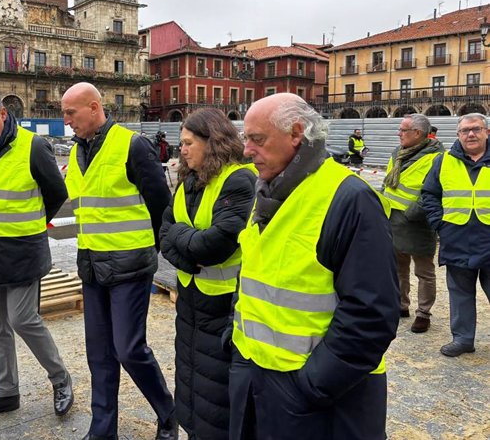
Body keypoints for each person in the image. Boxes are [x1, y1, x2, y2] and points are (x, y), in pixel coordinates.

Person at [230, 93, 399, 439]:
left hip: (321, 398)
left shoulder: (349, 198)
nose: (247, 150)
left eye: (256, 139)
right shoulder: (268, 191)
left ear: (295, 133)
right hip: (261, 378)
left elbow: (372, 314)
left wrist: (311, 386)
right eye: (246, 139)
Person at [61, 82, 178, 440]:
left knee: (129, 349)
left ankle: (169, 415)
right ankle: (102, 431)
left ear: (94, 108)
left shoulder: (132, 146)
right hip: (93, 268)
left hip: (129, 267)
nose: (66, 122)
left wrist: (149, 253)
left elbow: (162, 206)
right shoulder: (78, 151)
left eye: (71, 113)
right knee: (100, 354)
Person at [0, 87, 74, 422]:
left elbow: (55, 193)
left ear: (3, 114)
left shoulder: (33, 146)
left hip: (22, 249)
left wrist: (33, 224)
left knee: (22, 319)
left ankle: (60, 378)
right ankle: (6, 392)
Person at [159, 108, 256, 439]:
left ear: (212, 141)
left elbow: (217, 244)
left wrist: (181, 239)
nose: (181, 150)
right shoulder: (189, 180)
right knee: (190, 380)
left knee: (216, 391)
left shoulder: (238, 179)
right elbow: (165, 232)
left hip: (222, 305)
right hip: (190, 300)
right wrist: (186, 258)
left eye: (188, 143)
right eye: (180, 143)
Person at [421, 113, 490, 357]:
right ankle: (463, 339)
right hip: (457, 238)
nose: (471, 134)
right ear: (458, 135)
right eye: (465, 130)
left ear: (486, 132)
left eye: (476, 129)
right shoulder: (443, 161)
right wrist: (438, 223)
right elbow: (429, 194)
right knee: (460, 294)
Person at [382, 114, 444, 333]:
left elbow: (433, 191)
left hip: (417, 223)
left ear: (417, 133)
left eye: (403, 130)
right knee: (398, 267)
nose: (399, 133)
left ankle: (424, 313)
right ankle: (401, 305)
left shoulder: (437, 158)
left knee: (424, 271)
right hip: (393, 220)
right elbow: (387, 183)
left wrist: (412, 214)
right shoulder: (397, 153)